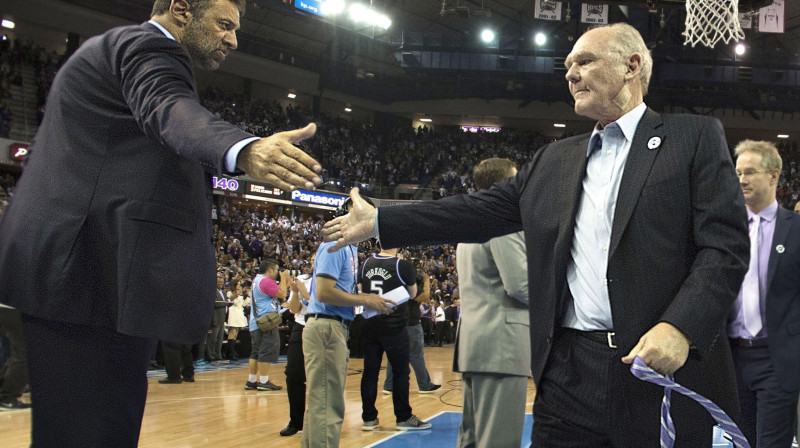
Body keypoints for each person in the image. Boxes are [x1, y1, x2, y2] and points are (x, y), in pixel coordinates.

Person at [322, 22, 750, 447]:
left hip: (657, 370)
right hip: (567, 375)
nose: (571, 74)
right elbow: (476, 211)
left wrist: (681, 327)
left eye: (585, 61)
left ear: (631, 66)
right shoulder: (553, 159)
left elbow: (725, 249)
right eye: (568, 66)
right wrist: (381, 221)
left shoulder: (692, 138)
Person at [0, 1, 323, 444]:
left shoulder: (116, 51)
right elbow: (168, 108)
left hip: (82, 276)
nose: (233, 39)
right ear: (181, 8)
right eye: (224, 24)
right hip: (85, 276)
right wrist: (244, 148)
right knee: (91, 432)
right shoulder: (146, 46)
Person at [301, 199, 394, 448]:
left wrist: (366, 299)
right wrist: (365, 299)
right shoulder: (335, 245)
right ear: (350, 213)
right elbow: (324, 292)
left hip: (334, 326)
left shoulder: (350, 248)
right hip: (326, 326)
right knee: (327, 404)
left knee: (322, 402)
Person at [727, 140, 800, 448]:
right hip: (732, 360)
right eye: (738, 172)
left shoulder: (796, 229)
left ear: (773, 175)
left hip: (777, 358)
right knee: (740, 441)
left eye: (750, 172)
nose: (742, 179)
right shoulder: (722, 228)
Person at [454, 158, 530, 448]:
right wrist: (556, 300)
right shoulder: (502, 222)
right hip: (501, 345)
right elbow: (520, 284)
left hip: (475, 343)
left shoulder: (469, 224)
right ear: (505, 184)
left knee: (472, 439)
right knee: (498, 442)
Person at [359, 246, 432, 431]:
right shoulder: (402, 265)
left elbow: (360, 290)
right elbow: (413, 294)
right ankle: (403, 417)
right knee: (400, 372)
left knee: (370, 373)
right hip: (394, 325)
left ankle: (368, 418)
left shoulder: (366, 263)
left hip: (370, 323)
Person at [383, 267, 441, 395]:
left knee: (393, 356)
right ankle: (424, 385)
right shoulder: (410, 287)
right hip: (412, 324)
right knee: (416, 355)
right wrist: (426, 281)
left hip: (396, 324)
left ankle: (389, 385)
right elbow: (425, 298)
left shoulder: (395, 285)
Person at [281, 258, 313, 437]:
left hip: (321, 326)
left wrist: (305, 293)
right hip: (301, 327)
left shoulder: (330, 278)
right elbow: (294, 310)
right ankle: (295, 422)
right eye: (312, 259)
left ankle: (318, 421)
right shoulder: (302, 279)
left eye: (317, 259)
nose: (313, 262)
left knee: (319, 378)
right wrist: (294, 292)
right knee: (293, 375)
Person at [244, 258, 287, 391]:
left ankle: (251, 380)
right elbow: (282, 294)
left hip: (256, 322)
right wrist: (284, 279)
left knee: (255, 353)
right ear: (269, 270)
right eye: (276, 270)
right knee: (265, 351)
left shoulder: (257, 280)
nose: (278, 272)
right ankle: (264, 381)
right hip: (266, 323)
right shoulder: (266, 281)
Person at [0, 304, 29, 409]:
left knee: (18, 353)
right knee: (24, 355)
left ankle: (5, 394)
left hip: (5, 309)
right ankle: (7, 398)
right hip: (11, 309)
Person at [224, 281, 249, 360]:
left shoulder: (240, 295)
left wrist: (248, 297)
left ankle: (230, 352)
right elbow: (234, 302)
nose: (239, 286)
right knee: (232, 332)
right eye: (238, 284)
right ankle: (231, 353)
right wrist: (236, 294)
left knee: (235, 334)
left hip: (239, 314)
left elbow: (243, 304)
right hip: (233, 314)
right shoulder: (229, 293)